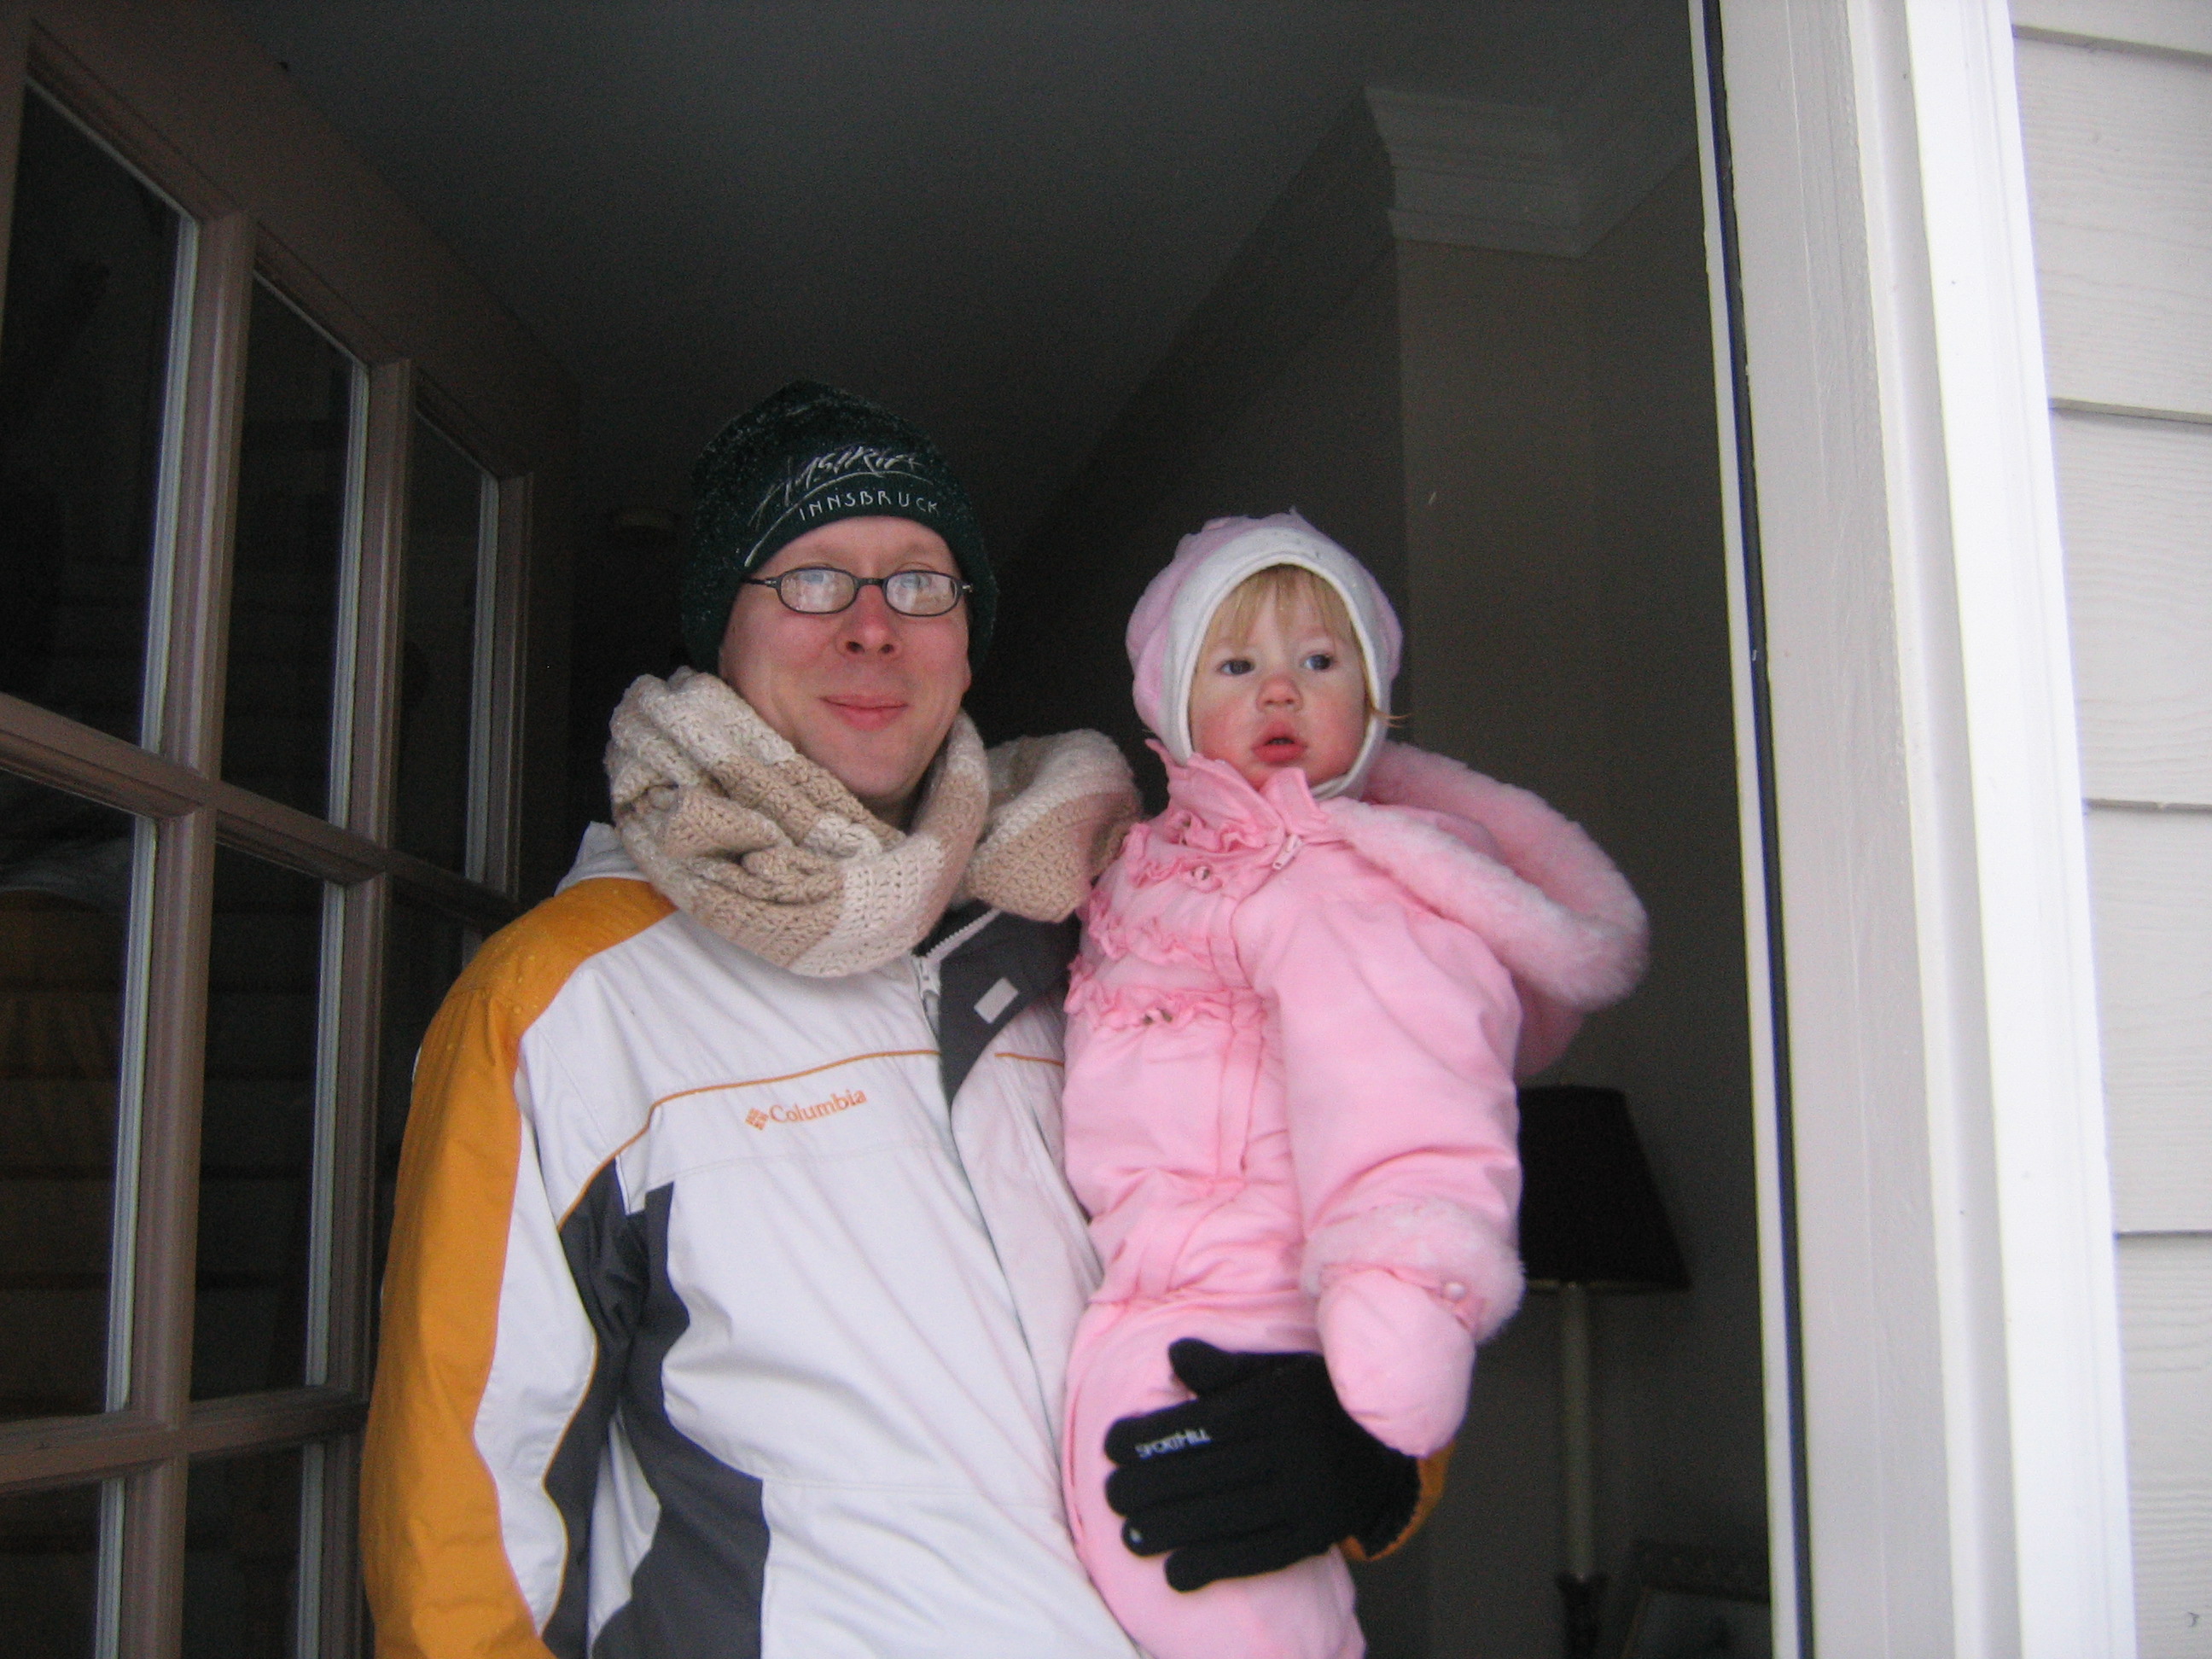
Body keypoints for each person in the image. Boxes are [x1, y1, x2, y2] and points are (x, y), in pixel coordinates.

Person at [359, 387, 1433, 1658]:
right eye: (811, 578)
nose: (871, 627)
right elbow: (459, 1542)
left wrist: (1377, 1450)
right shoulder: (567, 1001)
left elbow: (1374, 1194)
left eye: (921, 583)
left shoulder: (1118, 929)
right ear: (720, 634)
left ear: (966, 642)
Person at [1058, 514, 1648, 1659]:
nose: (1281, 691)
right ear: (1170, 702)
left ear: (1376, 702)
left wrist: (1403, 1295)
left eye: (1321, 662)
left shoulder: (1347, 887)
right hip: (1130, 1309)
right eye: (1238, 665)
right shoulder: (1142, 870)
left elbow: (1410, 1101)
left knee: (1231, 1611)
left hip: (1253, 1326)